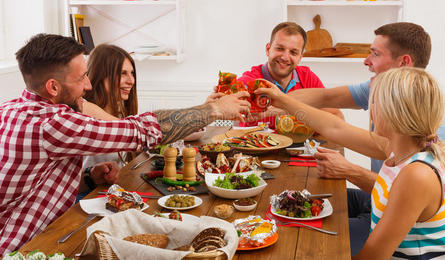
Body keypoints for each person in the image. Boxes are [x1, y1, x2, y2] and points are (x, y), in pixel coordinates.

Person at [0, 33, 250, 254]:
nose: (88, 85)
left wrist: (88, 178)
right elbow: (140, 132)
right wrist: (213, 109)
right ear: (53, 87)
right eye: (82, 78)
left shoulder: (10, 109)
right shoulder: (53, 123)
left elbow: (33, 182)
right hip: (21, 248)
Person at [272, 22, 445, 254]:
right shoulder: (401, 145)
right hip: (383, 208)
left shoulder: (417, 173)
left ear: (397, 109)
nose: (369, 108)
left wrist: (350, 171)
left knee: (303, 238)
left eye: (374, 102)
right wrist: (278, 100)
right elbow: (335, 126)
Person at [236, 21, 343, 128]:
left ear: (300, 57)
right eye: (280, 49)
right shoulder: (248, 82)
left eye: (293, 52)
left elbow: (336, 116)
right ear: (268, 49)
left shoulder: (308, 78)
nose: (285, 57)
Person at [84, 44, 138, 169]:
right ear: (101, 75)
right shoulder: (86, 111)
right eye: (123, 73)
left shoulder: (119, 111)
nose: (131, 81)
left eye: (132, 73)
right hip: (90, 187)